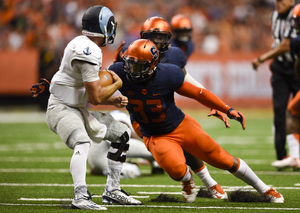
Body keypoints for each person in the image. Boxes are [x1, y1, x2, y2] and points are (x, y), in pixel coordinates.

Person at [108, 38, 285, 203]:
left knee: (223, 160)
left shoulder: (167, 74)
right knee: (177, 171)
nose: (132, 69)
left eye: (139, 66)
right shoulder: (118, 71)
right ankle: (187, 179)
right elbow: (95, 90)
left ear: (153, 65)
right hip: (155, 134)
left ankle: (264, 189)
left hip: (180, 125)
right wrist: (109, 98)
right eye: (130, 64)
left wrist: (227, 109)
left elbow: (199, 94)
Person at [113, 16, 230, 199]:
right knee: (171, 153)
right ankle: (187, 177)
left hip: (164, 106)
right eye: (153, 37)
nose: (157, 42)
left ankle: (209, 183)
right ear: (143, 36)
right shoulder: (133, 54)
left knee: (188, 142)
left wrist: (210, 100)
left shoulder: (175, 53)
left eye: (161, 37)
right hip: (142, 115)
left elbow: (185, 80)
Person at [40, 5, 142, 210]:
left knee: (122, 133)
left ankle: (112, 191)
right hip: (60, 108)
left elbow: (88, 91)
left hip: (76, 108)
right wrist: (117, 85)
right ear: (105, 27)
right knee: (82, 141)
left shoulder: (83, 44)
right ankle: (80, 196)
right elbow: (95, 97)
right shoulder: (89, 50)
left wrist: (112, 100)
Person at [251, 0, 300, 165]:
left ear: (291, 1)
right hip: (280, 68)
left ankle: (296, 154)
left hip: (296, 67)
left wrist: (261, 58)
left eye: (282, 0)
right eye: (276, 0)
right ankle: (282, 156)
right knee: (279, 111)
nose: (278, 3)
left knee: (296, 110)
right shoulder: (274, 15)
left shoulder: (296, 15)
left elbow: (287, 45)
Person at [88, 110, 160, 178]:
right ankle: (156, 162)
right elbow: (122, 130)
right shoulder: (122, 118)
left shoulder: (108, 118)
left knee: (149, 150)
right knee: (135, 168)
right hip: (106, 147)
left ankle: (155, 162)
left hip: (99, 150)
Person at [272, 4, 300, 169]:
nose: (295, 25)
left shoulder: (296, 42)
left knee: (291, 111)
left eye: (298, 21)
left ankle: (295, 156)